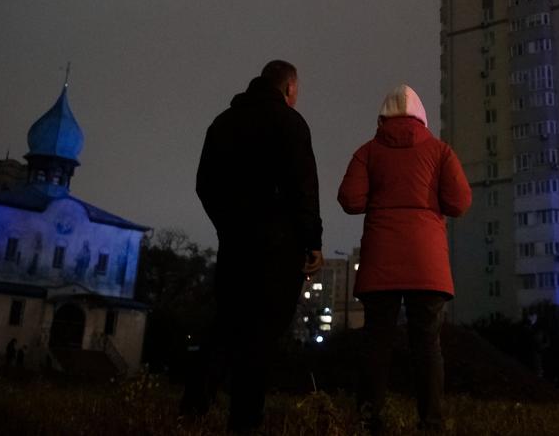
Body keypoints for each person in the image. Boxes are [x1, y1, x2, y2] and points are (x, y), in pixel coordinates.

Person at [187, 60, 324, 432]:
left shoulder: (223, 123)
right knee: (262, 334)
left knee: (226, 323)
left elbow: (205, 184)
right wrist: (312, 241)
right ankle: (244, 419)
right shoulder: (291, 125)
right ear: (289, 88)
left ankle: (193, 406)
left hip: (235, 243)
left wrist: (227, 224)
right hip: (280, 249)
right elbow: (304, 189)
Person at [338, 85, 471, 433]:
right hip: (426, 264)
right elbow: (459, 203)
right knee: (427, 343)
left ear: (383, 118)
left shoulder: (368, 152)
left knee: (376, 343)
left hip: (381, 260)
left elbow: (350, 200)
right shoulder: (441, 152)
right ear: (421, 118)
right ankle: (431, 422)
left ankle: (368, 419)